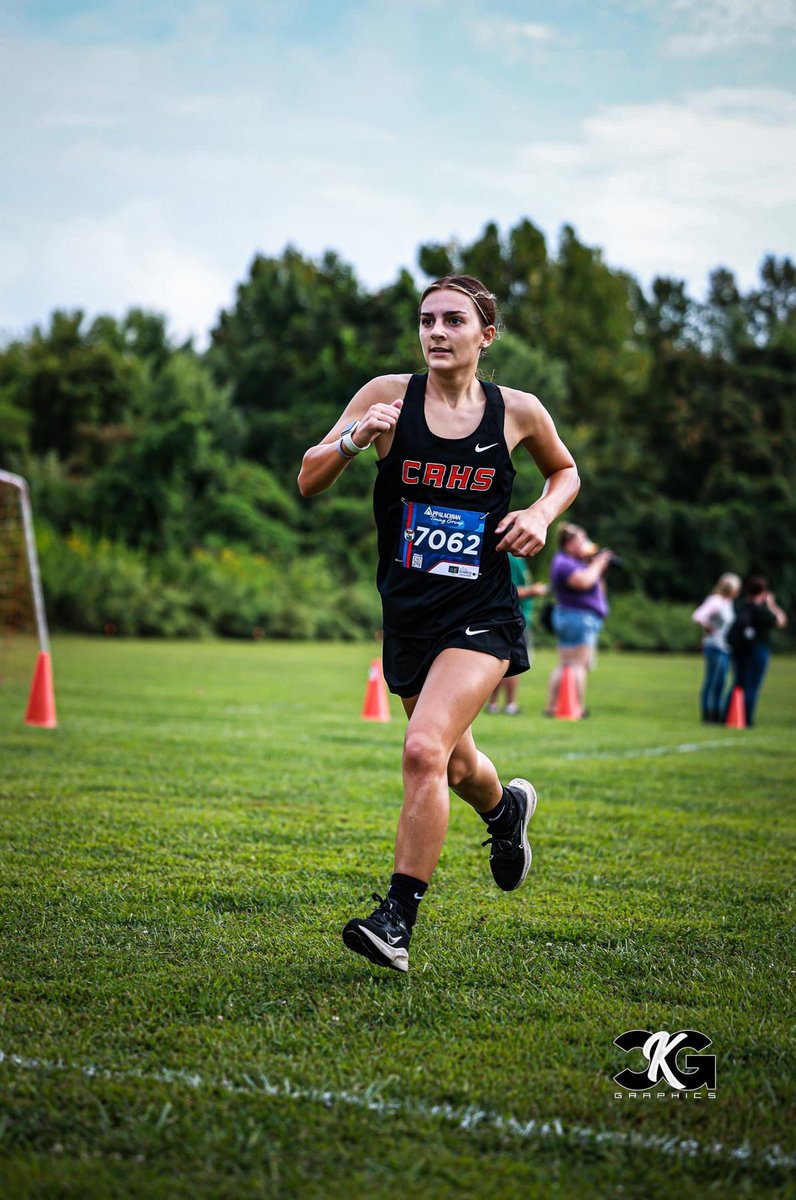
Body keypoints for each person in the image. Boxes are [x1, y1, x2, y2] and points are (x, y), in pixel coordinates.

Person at [298, 274, 579, 972]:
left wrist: (541, 514)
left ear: (486, 334)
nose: (436, 333)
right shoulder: (385, 397)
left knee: (422, 750)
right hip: (409, 613)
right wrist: (357, 440)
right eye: (427, 321)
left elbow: (565, 472)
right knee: (454, 765)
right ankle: (504, 811)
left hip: (481, 611)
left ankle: (397, 917)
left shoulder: (517, 412)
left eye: (454, 321)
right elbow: (308, 477)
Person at [545, 523, 611, 717]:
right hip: (577, 617)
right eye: (582, 540)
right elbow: (583, 582)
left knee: (565, 664)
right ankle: (576, 708)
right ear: (570, 543)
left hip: (574, 616)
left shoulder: (576, 562)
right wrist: (599, 563)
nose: (586, 544)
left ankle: (552, 707)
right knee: (578, 665)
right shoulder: (564, 562)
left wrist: (595, 565)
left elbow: (599, 587)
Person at [486, 556, 547, 714]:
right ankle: (509, 705)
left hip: (513, 617)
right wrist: (533, 590)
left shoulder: (517, 558)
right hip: (513, 617)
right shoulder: (510, 558)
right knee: (513, 663)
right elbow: (508, 589)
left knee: (503, 661)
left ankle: (494, 704)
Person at [726, 575, 788, 728]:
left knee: (738, 684)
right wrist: (771, 604)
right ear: (763, 592)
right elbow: (781, 620)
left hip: (740, 650)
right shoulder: (761, 611)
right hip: (758, 650)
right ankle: (746, 718)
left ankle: (726, 715)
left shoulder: (739, 606)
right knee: (752, 686)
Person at [691, 572, 741, 722]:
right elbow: (698, 616)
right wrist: (708, 626)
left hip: (725, 647)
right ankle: (708, 714)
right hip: (714, 646)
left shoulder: (728, 602)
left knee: (721, 682)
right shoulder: (716, 600)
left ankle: (718, 713)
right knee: (712, 681)